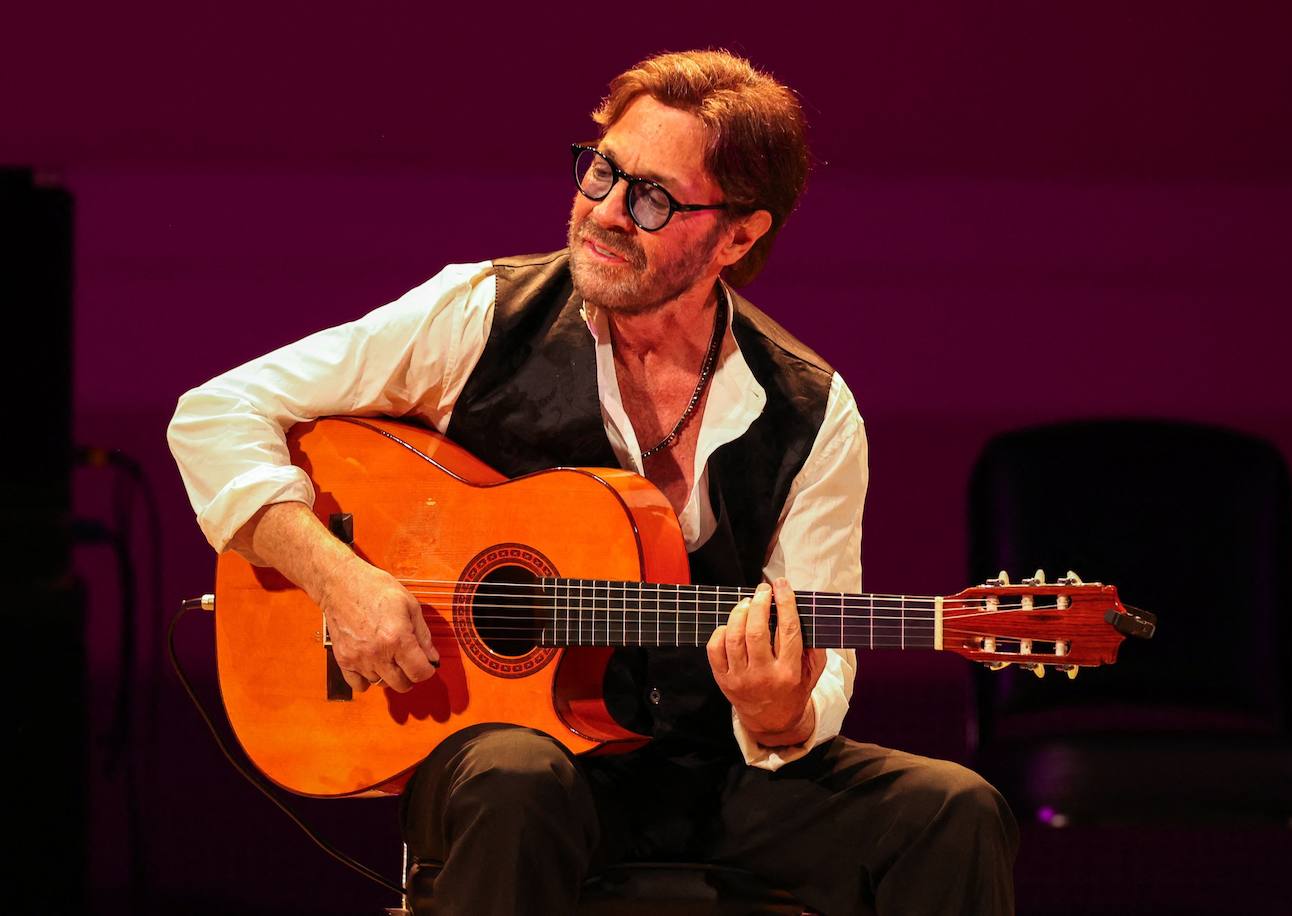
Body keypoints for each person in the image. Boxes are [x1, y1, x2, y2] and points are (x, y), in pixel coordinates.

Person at [168, 49, 1017, 916]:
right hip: (516, 768)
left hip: (715, 778)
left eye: (652, 198)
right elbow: (214, 415)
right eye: (602, 170)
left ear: (738, 235)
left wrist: (778, 713)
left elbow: (821, 667)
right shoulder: (481, 315)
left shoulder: (812, 411)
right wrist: (335, 575)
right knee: (518, 777)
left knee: (950, 810)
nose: (606, 212)